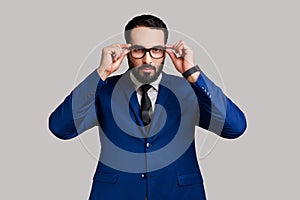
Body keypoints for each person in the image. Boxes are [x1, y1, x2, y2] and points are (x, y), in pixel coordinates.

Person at [48, 14, 247, 200]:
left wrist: (193, 74)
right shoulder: (104, 90)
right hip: (116, 194)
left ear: (165, 52)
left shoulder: (188, 90)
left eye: (156, 50)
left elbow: (234, 128)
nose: (148, 59)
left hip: (179, 194)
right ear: (126, 50)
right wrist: (101, 72)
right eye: (139, 50)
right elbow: (60, 128)